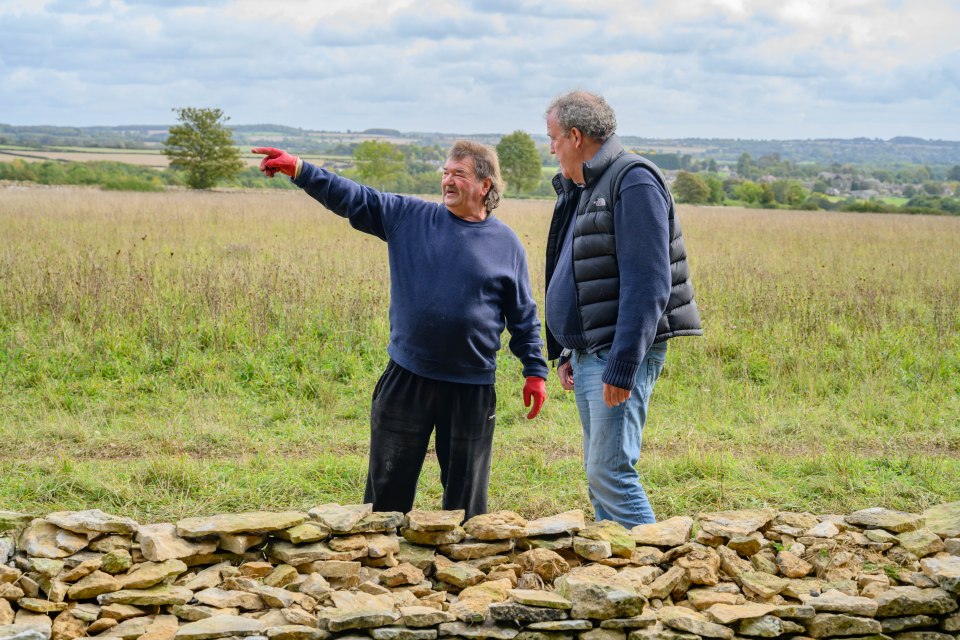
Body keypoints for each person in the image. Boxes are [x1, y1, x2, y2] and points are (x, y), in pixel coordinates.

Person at [252, 141, 548, 519]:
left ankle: (465, 569)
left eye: (459, 174)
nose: (448, 181)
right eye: (445, 172)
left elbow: (522, 313)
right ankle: (379, 564)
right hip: (407, 378)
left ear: (485, 185)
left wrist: (535, 371)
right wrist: (299, 169)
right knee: (385, 494)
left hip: (471, 387)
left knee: (467, 501)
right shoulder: (410, 217)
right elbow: (355, 198)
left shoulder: (506, 244)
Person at [542, 91, 702, 528]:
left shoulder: (633, 179)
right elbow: (574, 267)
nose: (551, 148)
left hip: (616, 352)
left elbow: (649, 282)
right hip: (590, 352)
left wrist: (623, 364)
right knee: (600, 474)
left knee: (610, 471)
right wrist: (564, 349)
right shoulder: (587, 185)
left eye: (553, 138)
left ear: (575, 136)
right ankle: (618, 570)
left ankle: (657, 567)